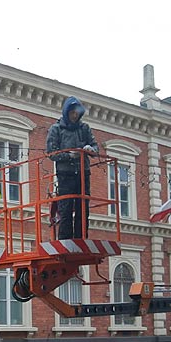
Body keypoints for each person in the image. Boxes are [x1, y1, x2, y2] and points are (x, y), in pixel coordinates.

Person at [46, 96, 98, 239]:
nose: (74, 116)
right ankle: (65, 238)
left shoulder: (84, 128)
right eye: (72, 113)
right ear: (67, 112)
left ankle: (81, 237)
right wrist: (69, 155)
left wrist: (91, 150)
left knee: (83, 206)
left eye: (77, 113)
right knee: (66, 207)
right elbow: (51, 152)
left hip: (83, 172)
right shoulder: (56, 129)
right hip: (65, 174)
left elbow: (95, 146)